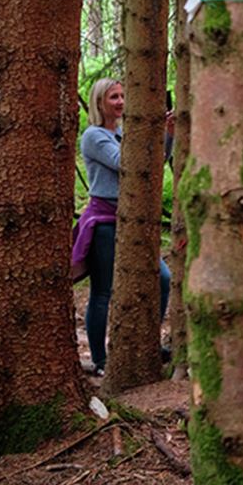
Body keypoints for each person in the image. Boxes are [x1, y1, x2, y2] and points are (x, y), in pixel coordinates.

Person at [71, 77, 172, 376]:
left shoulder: (125, 132)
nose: (120, 102)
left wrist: (166, 135)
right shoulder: (94, 136)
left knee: (162, 278)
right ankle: (101, 359)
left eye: (123, 96)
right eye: (113, 97)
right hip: (104, 221)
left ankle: (147, 343)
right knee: (103, 290)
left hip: (133, 218)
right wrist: (151, 133)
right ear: (99, 102)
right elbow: (125, 162)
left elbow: (154, 162)